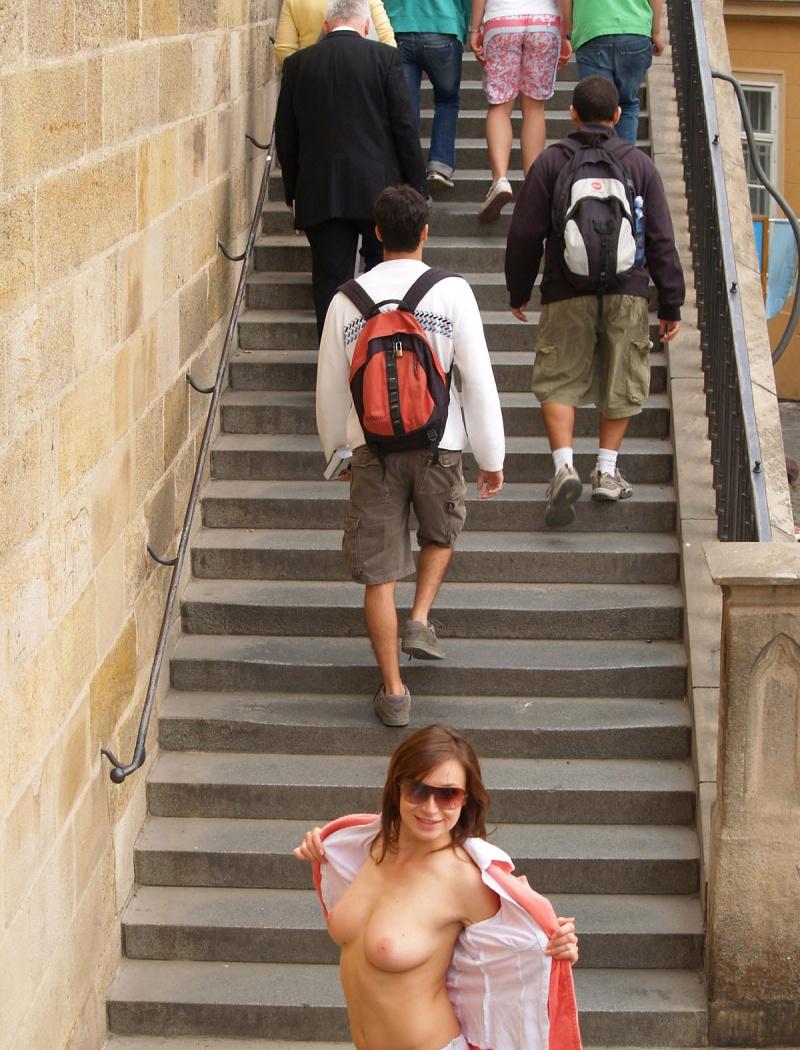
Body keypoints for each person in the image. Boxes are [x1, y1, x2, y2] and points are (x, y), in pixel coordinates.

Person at [316, 186, 505, 727]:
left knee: (379, 575)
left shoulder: (347, 300)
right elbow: (477, 379)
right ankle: (420, 617)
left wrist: (338, 451)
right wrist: (490, 454)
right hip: (438, 444)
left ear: (376, 234)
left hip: (371, 450)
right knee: (441, 533)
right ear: (425, 232)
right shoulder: (451, 291)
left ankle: (395, 692)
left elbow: (330, 386)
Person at [293, 723, 580, 1050]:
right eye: (418, 790)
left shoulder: (463, 878)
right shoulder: (369, 845)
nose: (431, 808)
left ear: (465, 799)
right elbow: (338, 865)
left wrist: (558, 944)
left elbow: (523, 941)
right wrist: (322, 845)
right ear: (397, 788)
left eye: (448, 794)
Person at [505, 75, 684, 526]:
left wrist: (519, 290)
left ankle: (563, 467)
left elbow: (524, 234)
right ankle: (605, 470)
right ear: (618, 115)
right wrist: (670, 303)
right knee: (623, 376)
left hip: (566, 289)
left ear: (572, 114)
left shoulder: (551, 162)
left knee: (557, 378)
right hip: (627, 290)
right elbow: (661, 237)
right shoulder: (638, 164)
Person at [275, 0, 427, 337]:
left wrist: (292, 191)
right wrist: (417, 187)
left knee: (330, 283)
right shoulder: (385, 58)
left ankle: (333, 360)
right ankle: (381, 354)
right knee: (383, 276)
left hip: (321, 191)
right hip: (379, 190)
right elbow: (405, 127)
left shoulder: (297, 64)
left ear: (326, 26)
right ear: (366, 26)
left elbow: (286, 135)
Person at [469, 0, 571, 222]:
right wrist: (567, 33)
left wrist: (475, 29)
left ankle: (500, 180)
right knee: (534, 109)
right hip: (544, 22)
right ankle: (534, 187)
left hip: (501, 20)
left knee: (500, 106)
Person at [383, 0, 472, 192]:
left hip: (400, 27)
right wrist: (464, 29)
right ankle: (440, 165)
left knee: (406, 107)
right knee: (447, 100)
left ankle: (409, 170)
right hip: (444, 27)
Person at [560, 0, 664, 145]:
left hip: (591, 29)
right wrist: (656, 33)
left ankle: (598, 158)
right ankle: (624, 158)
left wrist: (570, 30)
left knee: (595, 109)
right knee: (627, 105)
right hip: (634, 29)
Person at [274, 0, 397, 65]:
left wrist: (301, 74)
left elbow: (284, 50)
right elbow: (387, 40)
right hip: (363, 84)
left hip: (311, 84)